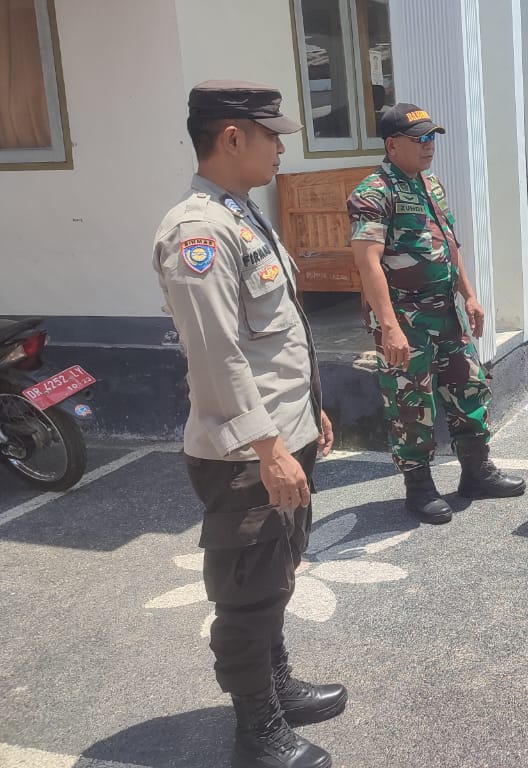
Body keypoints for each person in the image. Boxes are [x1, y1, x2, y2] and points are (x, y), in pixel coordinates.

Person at [153, 81, 344, 768]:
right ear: (233, 137)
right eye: (272, 135)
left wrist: (309, 412)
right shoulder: (197, 232)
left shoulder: (241, 214)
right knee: (246, 595)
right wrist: (268, 446)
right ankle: (256, 731)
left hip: (281, 436)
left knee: (276, 574)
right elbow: (217, 355)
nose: (282, 147)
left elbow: (276, 336)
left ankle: (278, 685)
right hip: (246, 454)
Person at [347, 102, 525, 525]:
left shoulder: (431, 185)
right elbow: (368, 264)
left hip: (445, 311)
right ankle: (419, 487)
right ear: (392, 145)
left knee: (470, 387)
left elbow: (449, 244)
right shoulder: (373, 193)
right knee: (411, 401)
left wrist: (470, 296)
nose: (429, 146)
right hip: (405, 319)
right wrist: (389, 327)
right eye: (420, 139)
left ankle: (476, 472)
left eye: (431, 138)